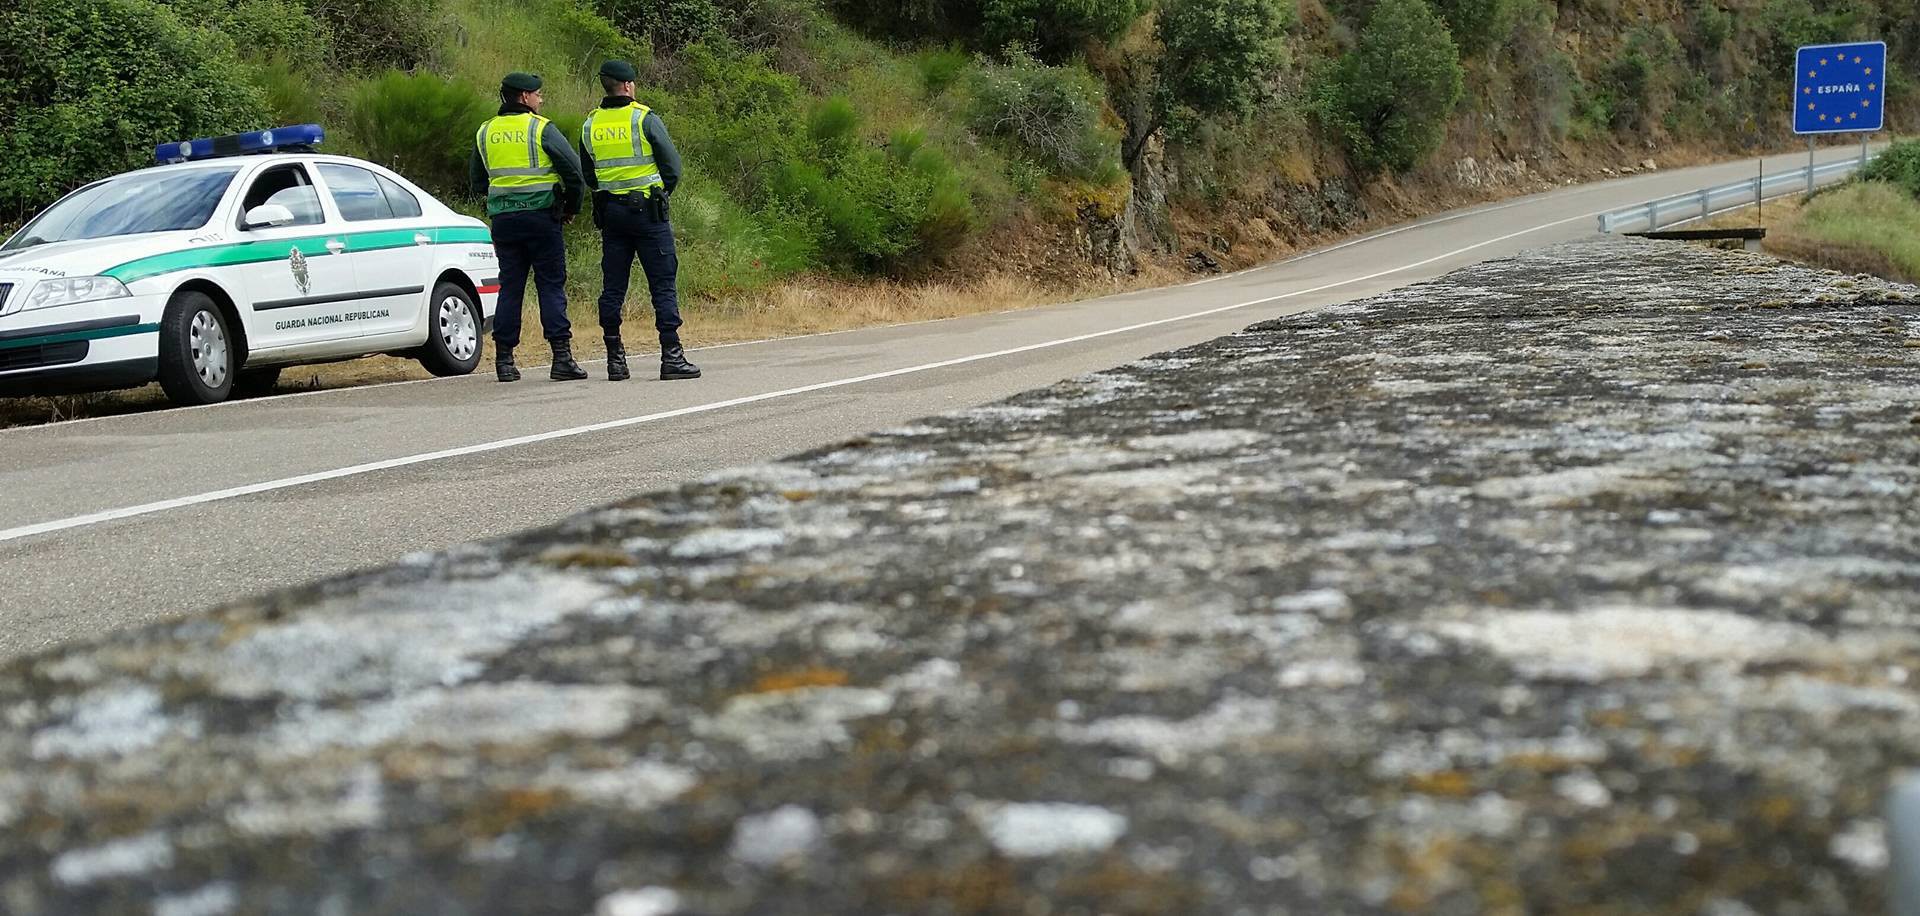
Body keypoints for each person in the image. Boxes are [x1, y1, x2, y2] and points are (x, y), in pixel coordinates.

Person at [578, 59, 700, 382]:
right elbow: (672, 166)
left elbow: (588, 173)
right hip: (648, 213)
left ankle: (614, 359)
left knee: (613, 286)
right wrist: (660, 193)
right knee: (662, 282)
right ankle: (671, 355)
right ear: (629, 86)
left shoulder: (590, 124)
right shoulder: (644, 118)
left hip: (612, 215)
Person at [469, 72, 589, 382]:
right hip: (542, 219)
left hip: (504, 221)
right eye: (537, 94)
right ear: (524, 97)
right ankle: (561, 358)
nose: (541, 99)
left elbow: (478, 182)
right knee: (550, 284)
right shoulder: (540, 128)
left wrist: (505, 200)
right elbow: (574, 172)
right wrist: (571, 207)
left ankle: (504, 361)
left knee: (510, 286)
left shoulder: (486, 132)